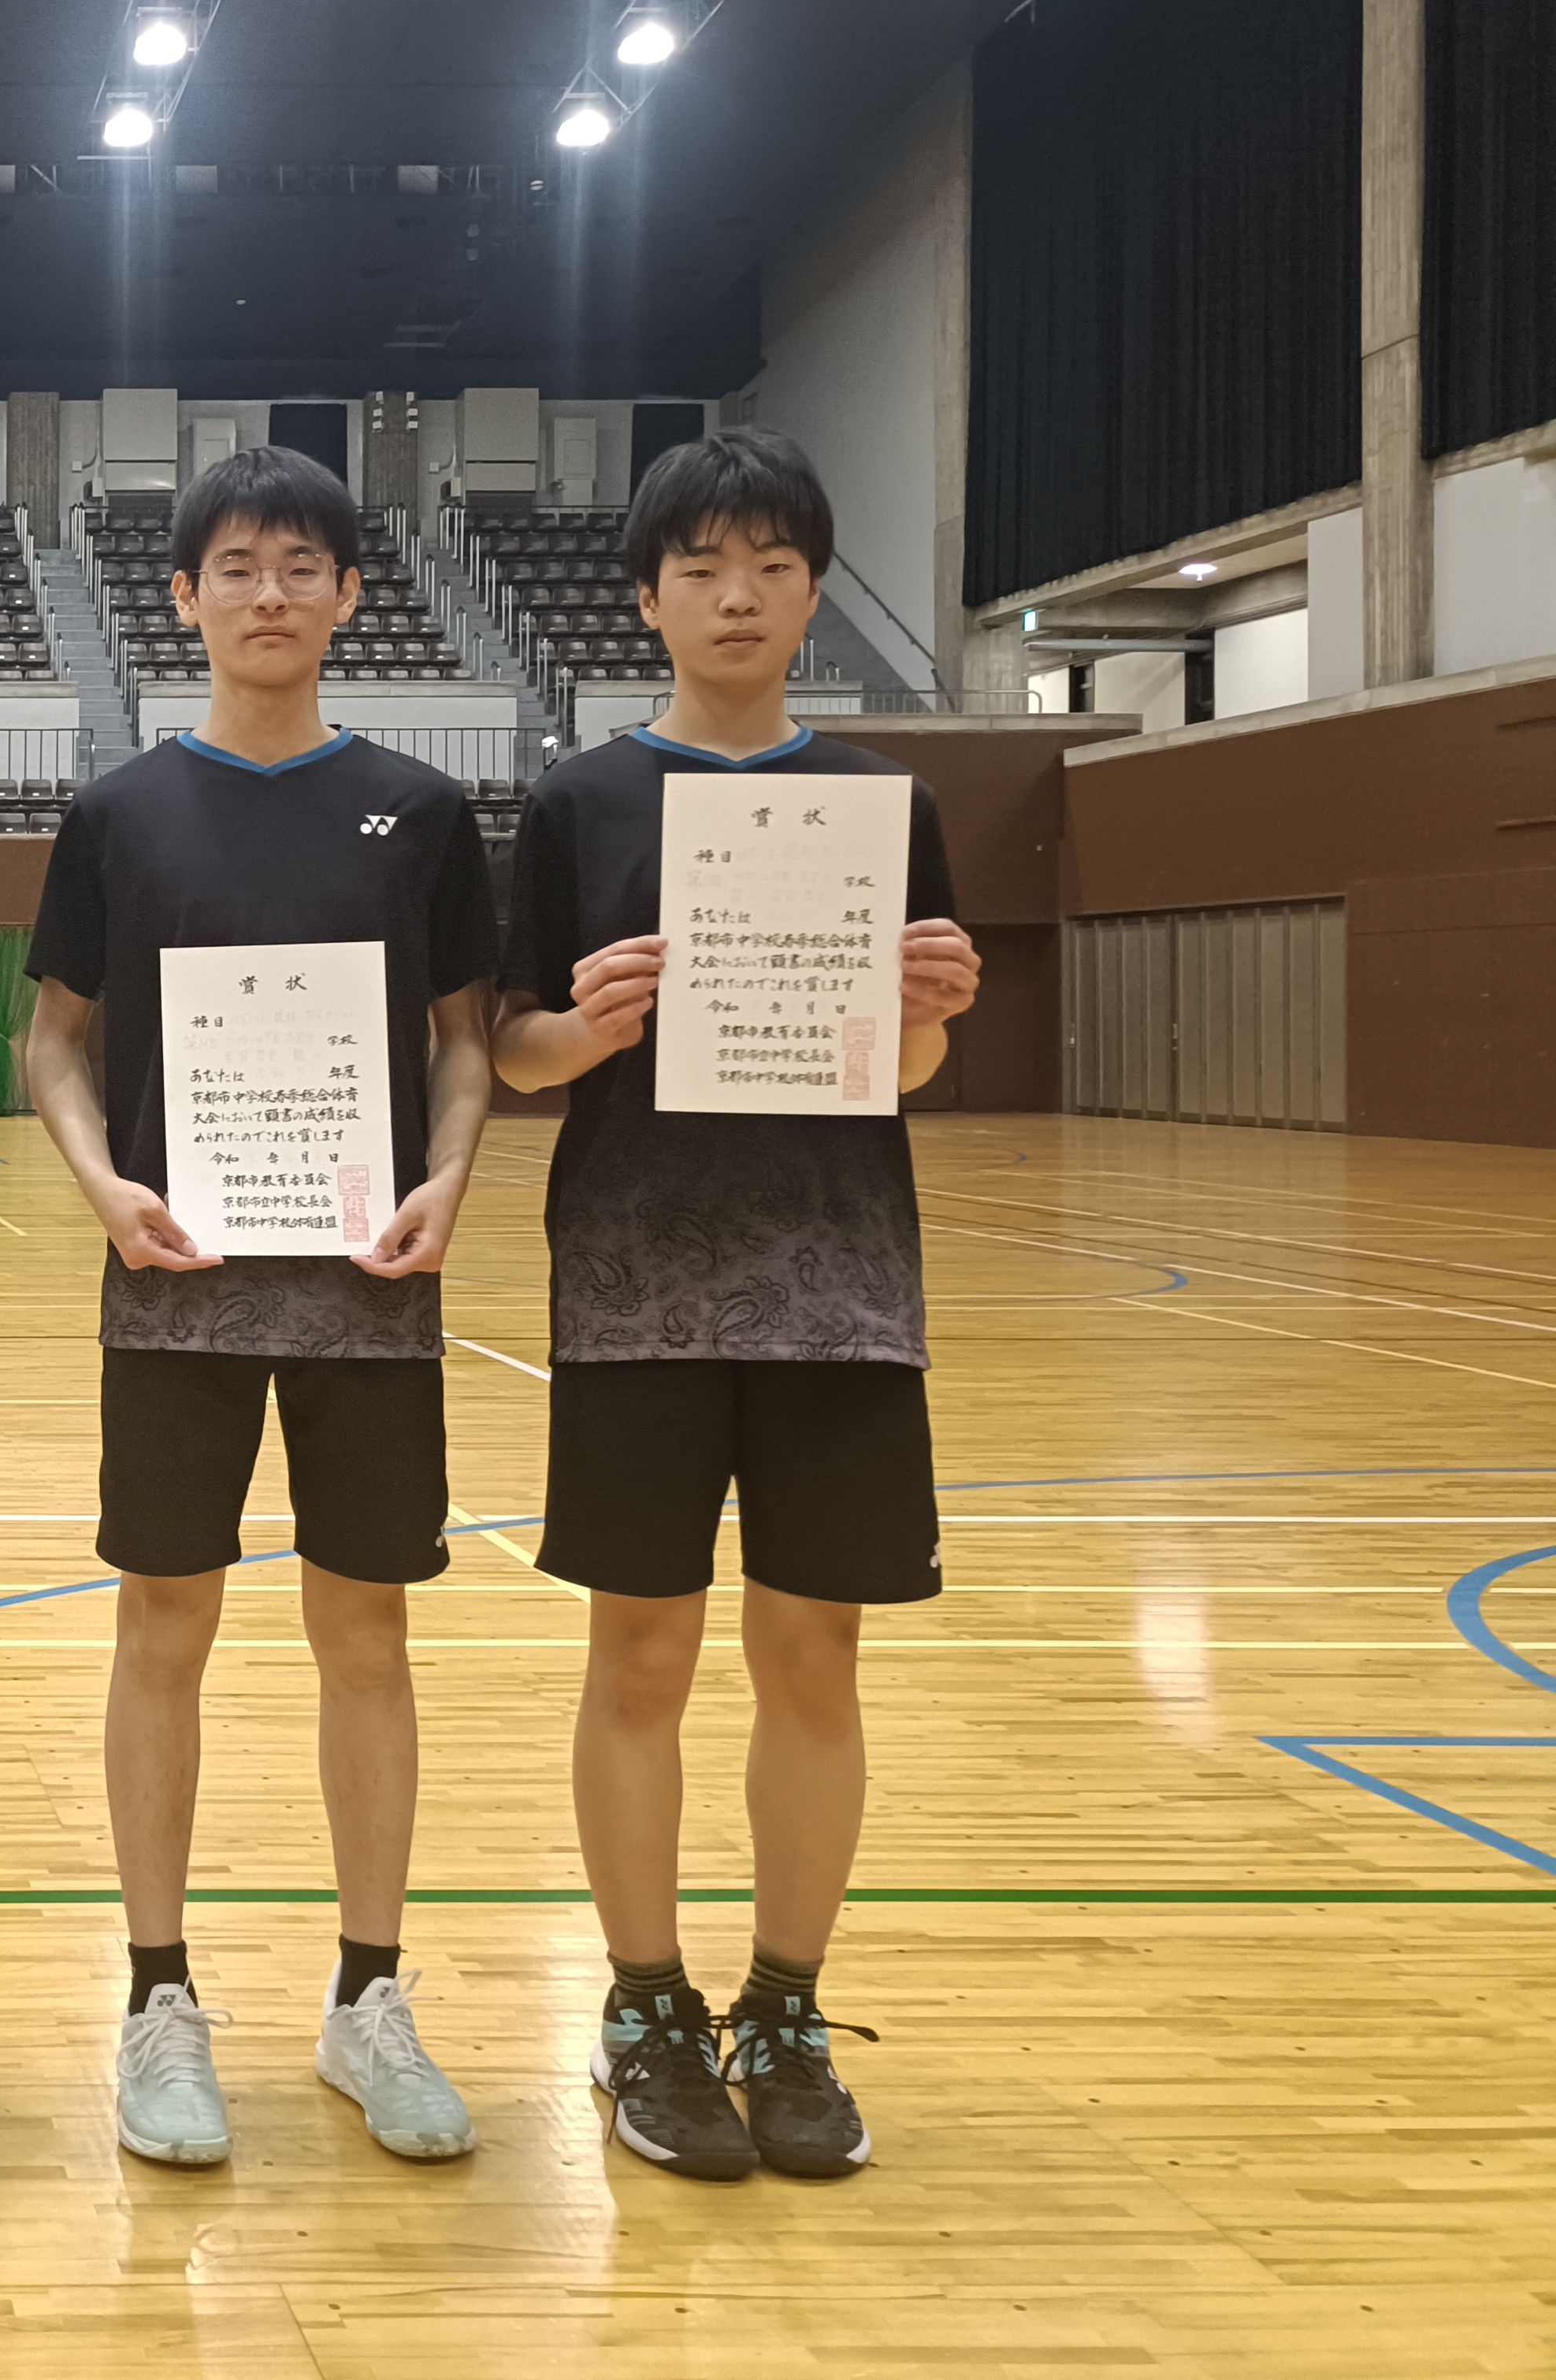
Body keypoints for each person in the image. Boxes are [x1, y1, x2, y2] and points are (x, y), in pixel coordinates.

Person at [490, 427, 980, 2185]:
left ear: (811, 591)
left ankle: (783, 2004)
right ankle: (642, 2002)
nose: (737, 595)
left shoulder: (882, 806)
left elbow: (905, 1071)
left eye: (771, 565)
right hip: (635, 1284)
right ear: (645, 598)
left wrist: (931, 1009)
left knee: (813, 1651)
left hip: (838, 1287)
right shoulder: (577, 803)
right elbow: (514, 1053)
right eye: (700, 567)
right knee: (638, 1653)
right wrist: (590, 1021)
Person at [19, 444, 496, 2173]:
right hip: (176, 1287)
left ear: (351, 593)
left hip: (368, 1290)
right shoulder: (119, 814)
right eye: (236, 566)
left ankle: (368, 1998)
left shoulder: (421, 811)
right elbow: (52, 1042)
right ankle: (157, 1999)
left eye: (302, 565)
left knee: (366, 1637)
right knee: (163, 1628)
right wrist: (99, 1185)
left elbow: (463, 1042)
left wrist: (453, 1177)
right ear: (184, 597)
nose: (270, 592)